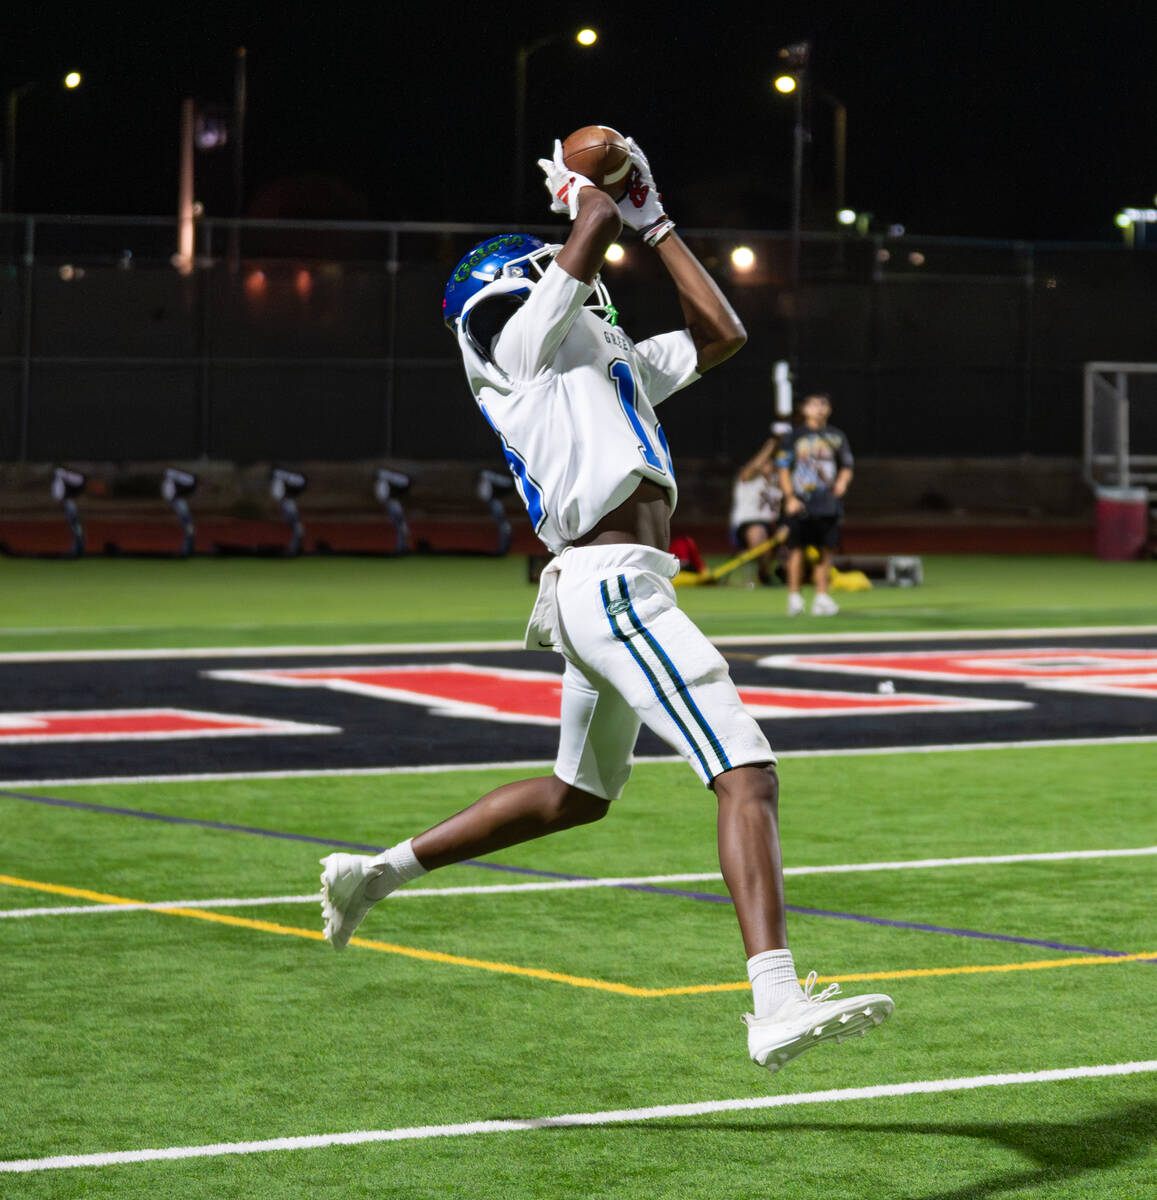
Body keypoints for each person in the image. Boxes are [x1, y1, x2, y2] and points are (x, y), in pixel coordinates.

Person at [319, 138, 892, 1073]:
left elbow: (721, 336)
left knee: (576, 794)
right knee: (744, 768)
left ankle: (372, 874)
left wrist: (654, 219)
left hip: (614, 584)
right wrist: (594, 194)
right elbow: (582, 236)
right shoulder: (513, 352)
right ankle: (773, 999)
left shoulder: (601, 351)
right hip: (611, 581)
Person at [777, 393, 854, 616]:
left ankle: (822, 596)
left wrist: (842, 482)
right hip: (801, 499)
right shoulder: (794, 436)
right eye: (814, 404)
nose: (819, 408)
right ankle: (794, 597)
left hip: (827, 500)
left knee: (826, 549)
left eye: (824, 404)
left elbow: (847, 465)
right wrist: (790, 497)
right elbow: (783, 468)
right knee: (796, 549)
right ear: (804, 409)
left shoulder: (836, 436)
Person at [729, 428, 789, 585]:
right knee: (758, 533)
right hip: (750, 523)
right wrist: (773, 443)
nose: (769, 465)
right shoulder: (748, 478)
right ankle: (764, 574)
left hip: (774, 526)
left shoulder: (779, 484)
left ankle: (787, 572)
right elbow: (756, 465)